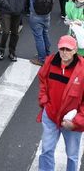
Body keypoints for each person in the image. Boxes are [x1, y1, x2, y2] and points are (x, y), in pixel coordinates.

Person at [37, 35, 84, 171]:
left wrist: (77, 122)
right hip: (51, 115)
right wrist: (44, 101)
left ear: (75, 50)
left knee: (72, 156)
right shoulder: (51, 61)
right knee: (46, 150)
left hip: (72, 122)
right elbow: (42, 80)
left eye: (68, 49)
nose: (64, 52)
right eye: (62, 48)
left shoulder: (82, 70)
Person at [27, 0, 60, 66]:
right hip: (47, 15)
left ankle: (41, 59)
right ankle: (47, 53)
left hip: (35, 15)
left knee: (38, 37)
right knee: (45, 33)